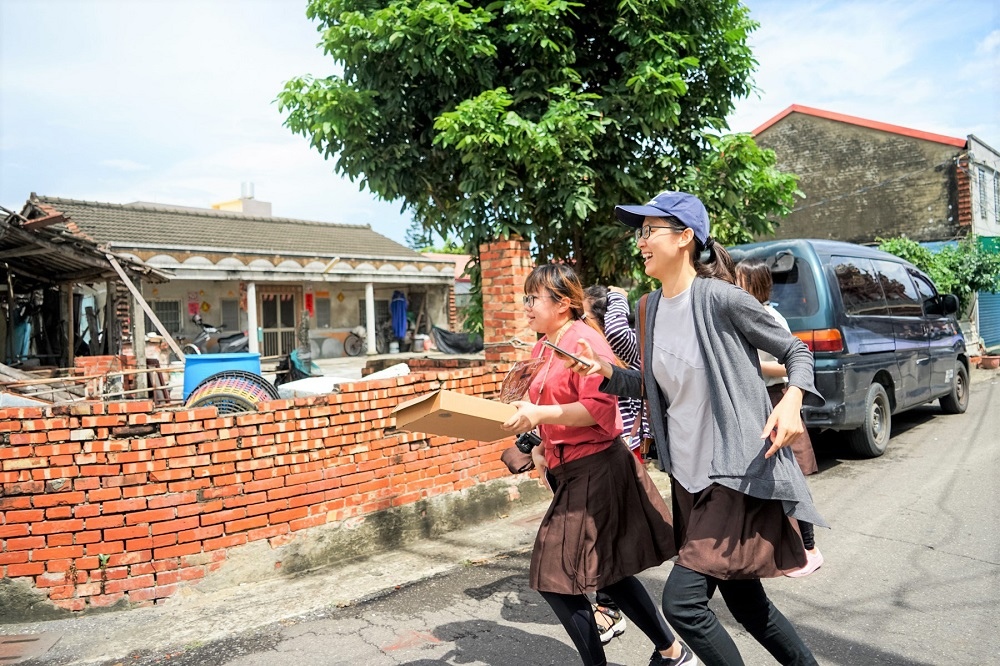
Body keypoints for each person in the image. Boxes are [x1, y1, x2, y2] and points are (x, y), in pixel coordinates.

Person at [568, 191, 825, 666]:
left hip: (733, 473)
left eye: (650, 231)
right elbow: (654, 387)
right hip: (687, 479)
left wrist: (792, 398)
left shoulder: (720, 299)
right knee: (747, 604)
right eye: (639, 232)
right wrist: (604, 373)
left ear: (685, 237)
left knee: (683, 605)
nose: (640, 241)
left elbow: (797, 352)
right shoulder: (648, 309)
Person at [500, 264, 696, 666]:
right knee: (610, 572)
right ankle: (674, 652)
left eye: (533, 298)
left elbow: (596, 410)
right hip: (569, 470)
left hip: (597, 470)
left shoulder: (585, 342)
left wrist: (540, 416)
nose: (527, 306)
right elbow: (543, 408)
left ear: (564, 303)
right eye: (526, 297)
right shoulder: (543, 345)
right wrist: (539, 444)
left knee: (555, 579)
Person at [734, 259, 824, 578]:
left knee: (791, 479)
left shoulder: (769, 316)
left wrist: (750, 366)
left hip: (777, 400)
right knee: (771, 480)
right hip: (761, 401)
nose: (734, 284)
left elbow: (790, 364)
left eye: (740, 279)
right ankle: (783, 549)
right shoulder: (747, 314)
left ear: (755, 284)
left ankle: (810, 549)